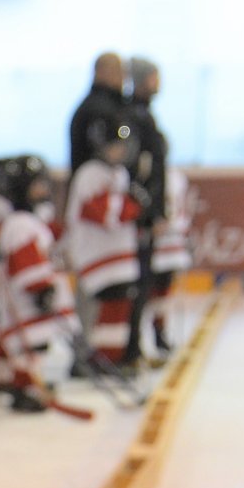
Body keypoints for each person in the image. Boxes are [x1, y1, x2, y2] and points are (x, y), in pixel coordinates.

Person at [0, 155, 75, 414]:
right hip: (26, 302)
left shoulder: (25, 221)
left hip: (24, 300)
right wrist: (41, 288)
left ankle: (18, 383)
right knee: (30, 346)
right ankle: (26, 388)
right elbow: (26, 262)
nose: (43, 190)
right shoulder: (21, 225)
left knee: (27, 345)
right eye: (37, 184)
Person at [64, 113, 144, 373]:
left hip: (112, 256)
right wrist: (134, 205)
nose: (121, 150)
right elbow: (104, 214)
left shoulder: (119, 173)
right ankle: (82, 360)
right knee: (89, 311)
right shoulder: (90, 174)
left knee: (113, 308)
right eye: (115, 145)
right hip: (91, 254)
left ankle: (105, 358)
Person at [120, 56, 168, 365]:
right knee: (138, 282)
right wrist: (151, 212)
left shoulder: (142, 114)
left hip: (145, 212)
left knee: (144, 282)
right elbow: (142, 171)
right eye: (154, 77)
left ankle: (136, 347)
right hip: (140, 215)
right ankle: (130, 349)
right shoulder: (135, 116)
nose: (158, 84)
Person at [146, 166, 193, 361]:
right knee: (155, 294)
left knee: (159, 294)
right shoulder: (176, 176)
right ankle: (157, 336)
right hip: (166, 244)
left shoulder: (169, 176)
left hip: (163, 244)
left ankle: (159, 334)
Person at [68, 52, 126, 175]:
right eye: (118, 71)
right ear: (103, 72)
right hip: (96, 182)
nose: (123, 77)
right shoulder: (98, 110)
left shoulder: (110, 106)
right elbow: (104, 150)